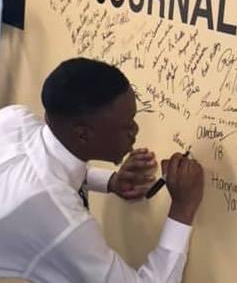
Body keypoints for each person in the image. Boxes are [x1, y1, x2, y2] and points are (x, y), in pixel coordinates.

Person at [0, 57, 204, 282]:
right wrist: (182, 209)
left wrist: (110, 182)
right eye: (126, 125)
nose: (135, 130)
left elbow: (41, 172)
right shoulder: (61, 221)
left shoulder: (14, 119)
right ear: (82, 134)